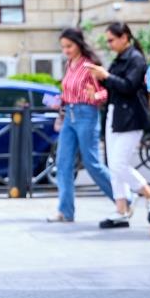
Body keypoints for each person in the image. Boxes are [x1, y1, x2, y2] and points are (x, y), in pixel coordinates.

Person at [86, 22, 150, 229]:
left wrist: (106, 76)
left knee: (118, 163)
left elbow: (129, 86)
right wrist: (98, 83)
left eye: (111, 40)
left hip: (131, 116)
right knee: (114, 166)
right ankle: (121, 210)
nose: (109, 44)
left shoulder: (135, 58)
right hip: (114, 114)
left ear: (124, 37)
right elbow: (114, 86)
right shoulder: (119, 59)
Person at [47, 28, 116, 223]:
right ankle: (65, 211)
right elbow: (69, 92)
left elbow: (105, 93)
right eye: (63, 47)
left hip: (87, 114)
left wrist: (94, 96)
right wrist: (57, 100)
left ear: (78, 44)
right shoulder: (70, 64)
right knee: (63, 163)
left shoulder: (90, 66)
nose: (66, 50)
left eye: (69, 46)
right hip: (69, 115)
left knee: (92, 162)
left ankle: (124, 199)